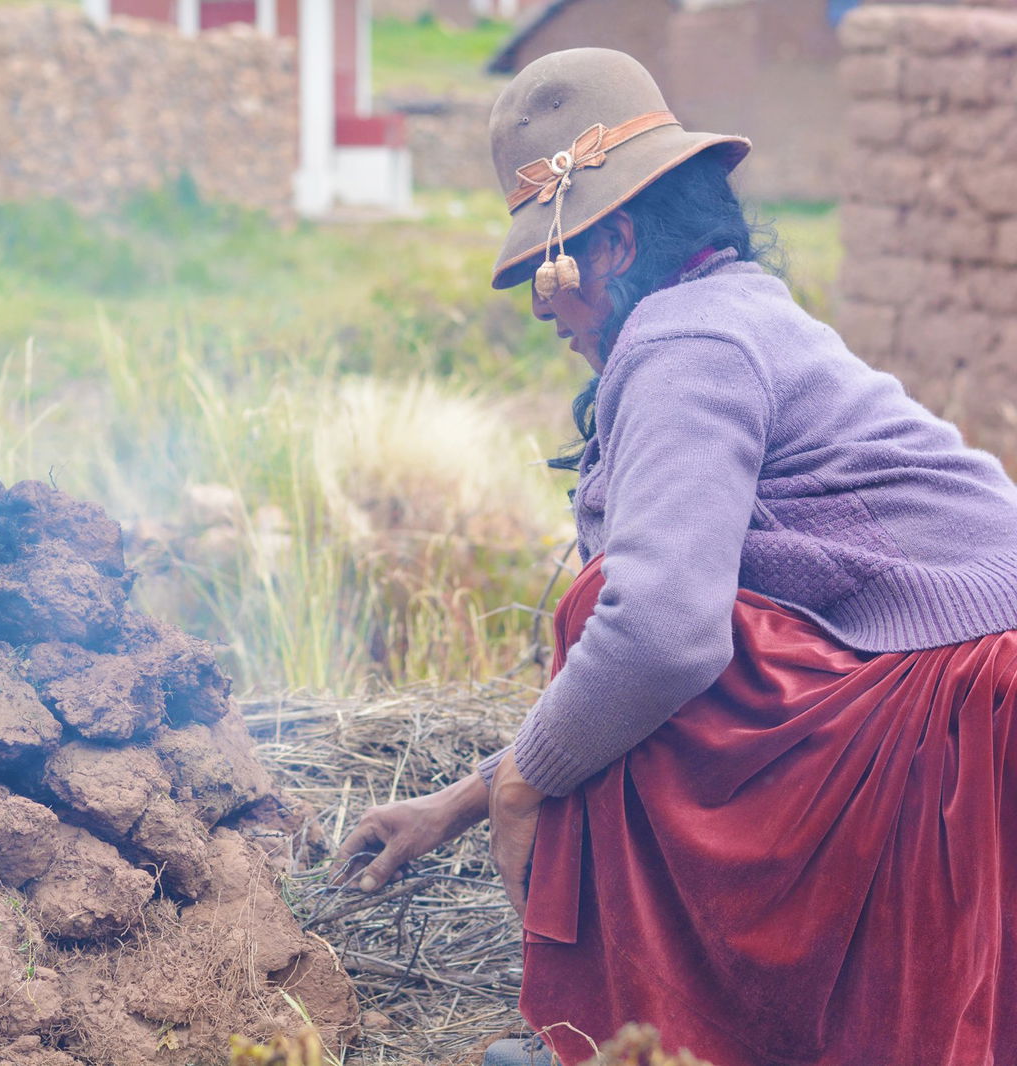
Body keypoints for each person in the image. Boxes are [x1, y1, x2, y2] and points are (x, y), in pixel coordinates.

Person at [334, 47, 1017, 1066]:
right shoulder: (726, 312)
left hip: (963, 712)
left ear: (609, 243)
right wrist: (462, 798)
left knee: (610, 625)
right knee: (620, 664)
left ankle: (626, 1034)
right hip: (953, 688)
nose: (540, 309)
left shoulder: (682, 342)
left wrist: (522, 782)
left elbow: (657, 631)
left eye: (548, 269)